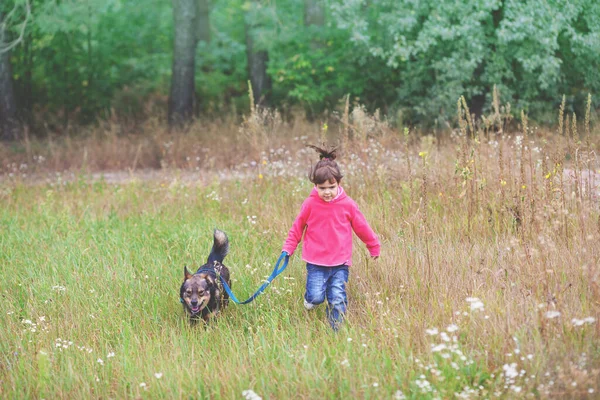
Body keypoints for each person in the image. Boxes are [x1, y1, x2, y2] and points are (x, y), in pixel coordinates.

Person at [282, 144, 381, 331]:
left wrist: (373, 245)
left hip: (340, 262)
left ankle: (335, 331)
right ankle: (310, 298)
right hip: (316, 261)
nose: (327, 192)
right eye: (322, 188)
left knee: (337, 297)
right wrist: (289, 247)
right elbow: (297, 227)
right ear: (315, 186)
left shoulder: (348, 205)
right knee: (316, 297)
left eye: (331, 187)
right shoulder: (310, 204)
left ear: (339, 184)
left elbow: (362, 227)